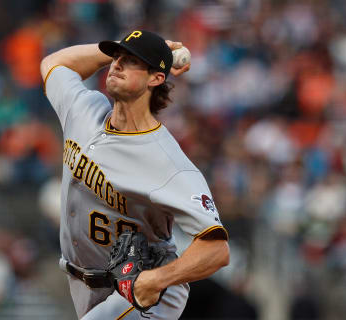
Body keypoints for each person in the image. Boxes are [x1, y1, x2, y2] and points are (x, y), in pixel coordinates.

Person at [40, 30, 230, 320]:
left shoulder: (167, 162)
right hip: (82, 282)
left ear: (155, 78)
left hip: (143, 292)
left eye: (130, 61)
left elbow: (217, 250)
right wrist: (116, 48)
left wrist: (158, 280)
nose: (116, 65)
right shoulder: (85, 109)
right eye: (116, 58)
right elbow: (54, 65)